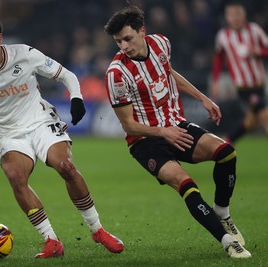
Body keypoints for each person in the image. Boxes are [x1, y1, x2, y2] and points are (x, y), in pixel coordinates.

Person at [0, 15, 124, 259]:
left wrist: (76, 97)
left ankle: (97, 229)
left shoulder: (24, 54)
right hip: (10, 133)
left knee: (65, 166)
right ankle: (51, 240)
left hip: (41, 121)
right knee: (15, 176)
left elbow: (66, 75)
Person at [103, 6, 251, 258]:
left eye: (127, 39)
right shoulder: (117, 74)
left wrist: (202, 97)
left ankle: (222, 213)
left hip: (176, 125)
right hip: (145, 141)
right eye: (118, 42)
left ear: (142, 31)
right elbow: (128, 125)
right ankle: (228, 242)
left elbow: (168, 73)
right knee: (187, 185)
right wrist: (162, 132)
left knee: (226, 153)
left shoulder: (161, 43)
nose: (123, 46)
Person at [211, 1, 268, 144]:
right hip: (244, 87)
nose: (235, 18)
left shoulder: (254, 30)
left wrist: (258, 52)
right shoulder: (223, 36)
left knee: (252, 122)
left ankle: (228, 140)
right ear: (227, 17)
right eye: (232, 15)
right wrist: (215, 80)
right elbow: (218, 59)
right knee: (265, 115)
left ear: (244, 15)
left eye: (238, 14)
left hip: (260, 83)